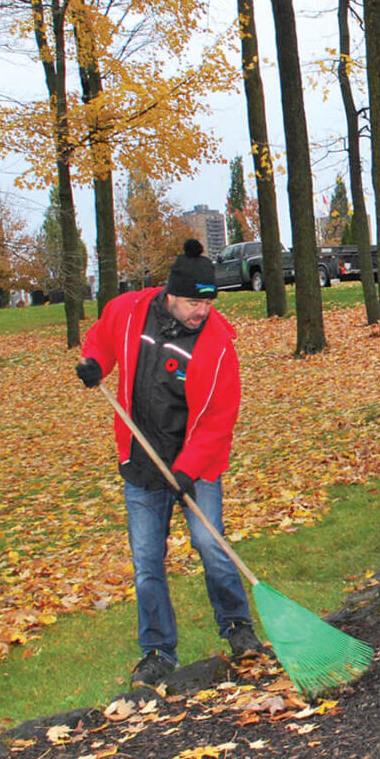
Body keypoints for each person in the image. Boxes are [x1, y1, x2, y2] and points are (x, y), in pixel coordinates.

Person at [76, 239, 263, 686]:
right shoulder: (130, 312)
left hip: (195, 466)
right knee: (146, 563)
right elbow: (100, 339)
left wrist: (187, 469)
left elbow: (219, 420)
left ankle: (237, 625)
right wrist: (94, 364)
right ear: (172, 295)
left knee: (212, 547)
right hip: (141, 464)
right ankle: (158, 651)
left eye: (208, 302)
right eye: (195, 303)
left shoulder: (217, 345)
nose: (203, 312)